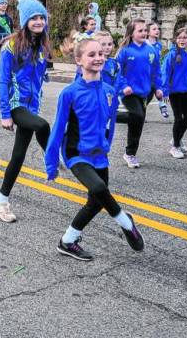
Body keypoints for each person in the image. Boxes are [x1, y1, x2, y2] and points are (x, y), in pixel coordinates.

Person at [45, 38, 145, 261]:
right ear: (79, 60)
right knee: (100, 189)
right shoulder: (69, 93)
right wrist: (51, 164)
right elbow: (58, 129)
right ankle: (126, 223)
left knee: (96, 202)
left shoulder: (110, 91)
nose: (98, 57)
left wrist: (107, 145)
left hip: (100, 155)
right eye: (91, 54)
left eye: (101, 53)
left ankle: (67, 241)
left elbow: (107, 124)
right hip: (76, 154)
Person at [0, 0, 50, 223]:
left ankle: (1, 200)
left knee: (18, 155)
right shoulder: (11, 46)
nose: (38, 21)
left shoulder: (41, 46)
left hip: (32, 105)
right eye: (34, 18)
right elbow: (3, 81)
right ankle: (54, 159)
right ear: (25, 21)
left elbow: (38, 75)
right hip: (16, 105)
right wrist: (5, 114)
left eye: (42, 18)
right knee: (43, 126)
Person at [116, 18, 163, 168]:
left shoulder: (151, 50)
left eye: (145, 30)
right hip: (129, 93)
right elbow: (117, 72)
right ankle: (108, 115)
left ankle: (130, 154)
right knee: (137, 115)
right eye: (140, 30)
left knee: (138, 123)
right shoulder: (125, 51)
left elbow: (156, 72)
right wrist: (123, 86)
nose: (144, 33)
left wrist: (159, 88)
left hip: (146, 93)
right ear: (131, 33)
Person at [161, 27, 187, 159]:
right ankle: (175, 147)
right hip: (174, 91)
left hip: (186, 91)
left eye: (185, 37)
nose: (182, 40)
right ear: (175, 39)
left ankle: (176, 139)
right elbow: (165, 73)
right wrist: (165, 91)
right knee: (178, 119)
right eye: (179, 37)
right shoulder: (171, 55)